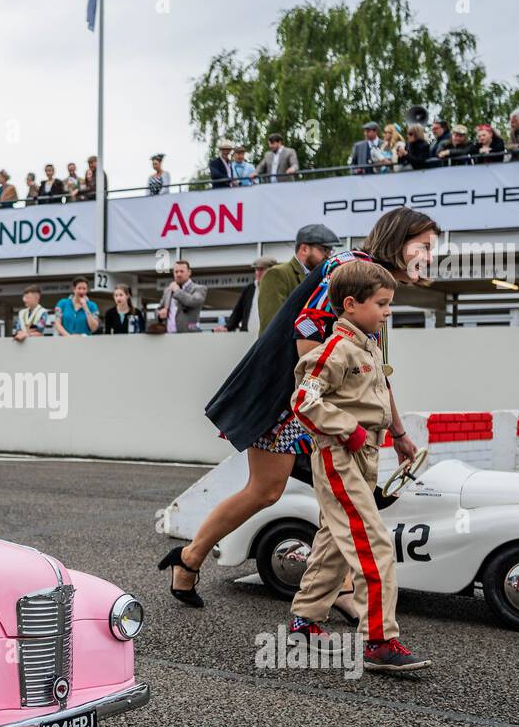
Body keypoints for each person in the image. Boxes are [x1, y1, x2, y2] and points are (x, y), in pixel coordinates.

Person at [162, 208, 438, 614]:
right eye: (425, 246)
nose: (430, 255)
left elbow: (374, 367)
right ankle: (190, 559)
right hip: (288, 402)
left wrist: (397, 432)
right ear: (400, 239)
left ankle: (333, 588)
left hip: (316, 406)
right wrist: (314, 404)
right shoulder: (348, 267)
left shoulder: (373, 281)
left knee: (331, 494)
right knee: (269, 490)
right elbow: (307, 328)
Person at [287, 259, 430, 671]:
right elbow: (303, 400)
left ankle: (305, 620)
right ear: (350, 304)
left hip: (364, 454)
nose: (388, 311)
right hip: (340, 455)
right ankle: (379, 641)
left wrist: (398, 436)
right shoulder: (334, 350)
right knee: (374, 544)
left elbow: (379, 394)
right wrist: (347, 428)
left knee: (335, 540)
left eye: (390, 304)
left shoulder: (367, 344)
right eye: (382, 304)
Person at [257, 225, 338, 331]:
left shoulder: (323, 278)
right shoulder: (277, 274)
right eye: (324, 250)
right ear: (304, 249)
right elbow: (272, 326)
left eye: (331, 251)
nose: (328, 256)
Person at [226, 256, 275, 334]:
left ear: (272, 270)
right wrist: (227, 327)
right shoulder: (249, 289)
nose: (257, 273)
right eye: (256, 269)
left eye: (261, 269)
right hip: (247, 336)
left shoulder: (277, 288)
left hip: (268, 337)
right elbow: (238, 312)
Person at [156, 260, 207, 333]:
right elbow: (158, 309)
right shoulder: (168, 290)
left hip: (190, 335)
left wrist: (177, 291)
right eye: (176, 272)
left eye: (181, 271)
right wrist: (159, 314)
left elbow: (193, 302)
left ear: (189, 272)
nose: (178, 274)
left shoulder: (199, 288)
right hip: (168, 336)